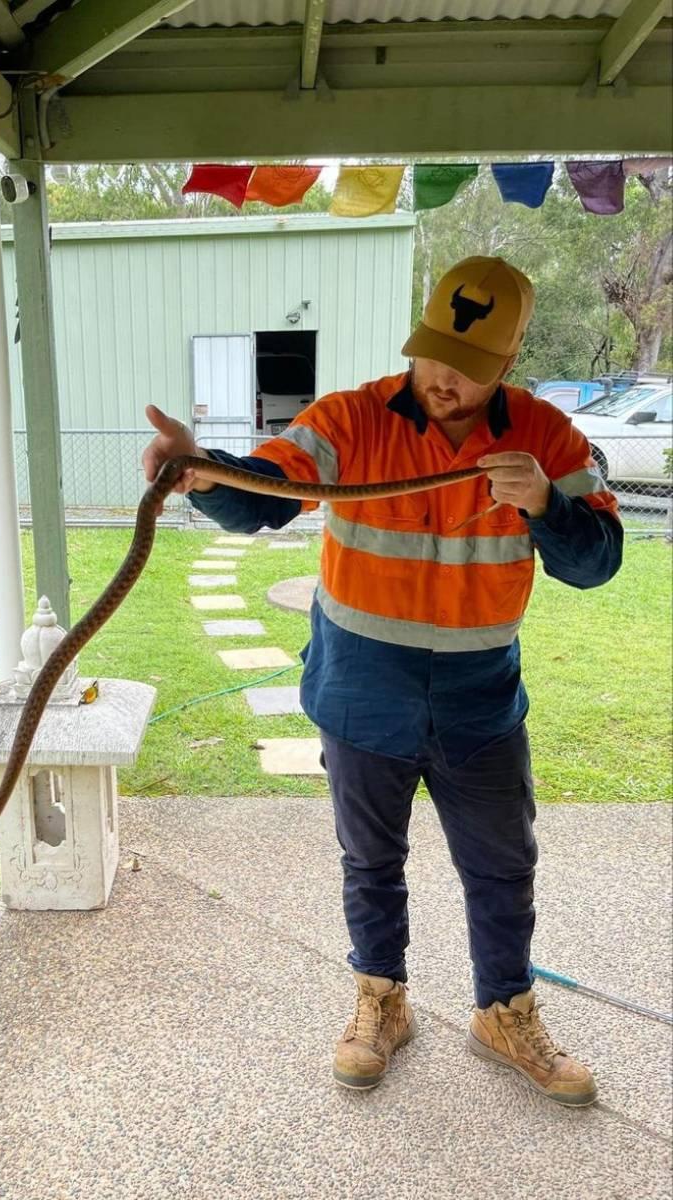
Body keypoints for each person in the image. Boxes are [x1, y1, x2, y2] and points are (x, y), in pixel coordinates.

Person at [142, 256, 622, 1108]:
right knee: (370, 860)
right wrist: (203, 470)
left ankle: (504, 1014)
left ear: (507, 365)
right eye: (435, 353)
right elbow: (269, 491)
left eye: (471, 368)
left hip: (480, 698)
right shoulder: (351, 419)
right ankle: (380, 1004)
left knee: (504, 865)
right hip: (362, 688)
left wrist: (549, 503)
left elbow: (598, 564)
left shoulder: (548, 438)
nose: (446, 379)